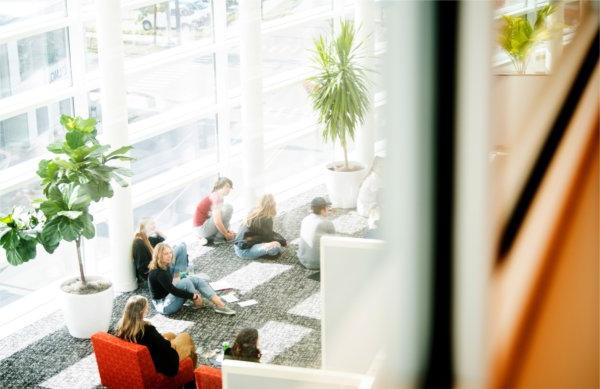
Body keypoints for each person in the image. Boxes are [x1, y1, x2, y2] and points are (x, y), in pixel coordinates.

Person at [114, 295, 197, 377]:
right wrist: (167, 341)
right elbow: (166, 346)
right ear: (141, 312)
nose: (147, 310)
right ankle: (190, 378)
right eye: (146, 308)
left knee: (171, 334)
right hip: (162, 365)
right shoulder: (147, 330)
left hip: (144, 359)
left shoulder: (121, 327)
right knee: (185, 337)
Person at [148, 243, 235, 316]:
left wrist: (186, 276)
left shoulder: (165, 264)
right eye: (165, 254)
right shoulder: (159, 272)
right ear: (158, 255)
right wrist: (193, 296)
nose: (169, 256)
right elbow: (173, 290)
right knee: (186, 281)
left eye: (170, 252)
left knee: (196, 279)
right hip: (164, 306)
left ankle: (220, 305)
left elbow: (173, 281)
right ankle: (197, 301)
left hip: (169, 295)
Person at [132, 218, 188, 283]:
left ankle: (178, 278)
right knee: (182, 247)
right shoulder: (138, 242)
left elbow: (163, 242)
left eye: (154, 224)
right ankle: (179, 278)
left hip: (159, 266)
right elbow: (142, 268)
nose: (154, 226)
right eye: (151, 224)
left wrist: (159, 233)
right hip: (156, 272)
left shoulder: (148, 238)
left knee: (178, 247)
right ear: (143, 227)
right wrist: (160, 261)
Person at [234, 194, 286, 260]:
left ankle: (260, 250)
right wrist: (282, 242)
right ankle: (260, 254)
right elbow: (268, 238)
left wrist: (282, 240)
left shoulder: (254, 211)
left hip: (238, 246)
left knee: (275, 242)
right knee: (276, 247)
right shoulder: (266, 219)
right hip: (245, 251)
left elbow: (269, 233)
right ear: (272, 205)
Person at [193, 177, 236, 244]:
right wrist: (226, 235)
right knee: (228, 208)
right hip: (202, 229)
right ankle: (219, 238)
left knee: (224, 210)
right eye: (227, 186)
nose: (229, 189)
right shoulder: (216, 198)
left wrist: (227, 230)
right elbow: (217, 221)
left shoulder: (216, 196)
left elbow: (216, 218)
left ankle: (212, 237)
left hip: (200, 229)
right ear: (219, 186)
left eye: (230, 187)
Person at [297, 197, 336, 270]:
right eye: (327, 207)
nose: (328, 209)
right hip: (318, 263)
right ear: (323, 210)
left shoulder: (305, 219)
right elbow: (333, 243)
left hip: (302, 258)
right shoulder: (327, 223)